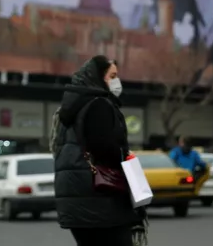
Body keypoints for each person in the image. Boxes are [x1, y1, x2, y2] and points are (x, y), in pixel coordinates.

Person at [53, 56, 145, 246]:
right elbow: (103, 148)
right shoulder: (99, 105)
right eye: (112, 76)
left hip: (75, 200)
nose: (116, 82)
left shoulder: (71, 108)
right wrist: (125, 157)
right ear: (97, 77)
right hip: (100, 201)